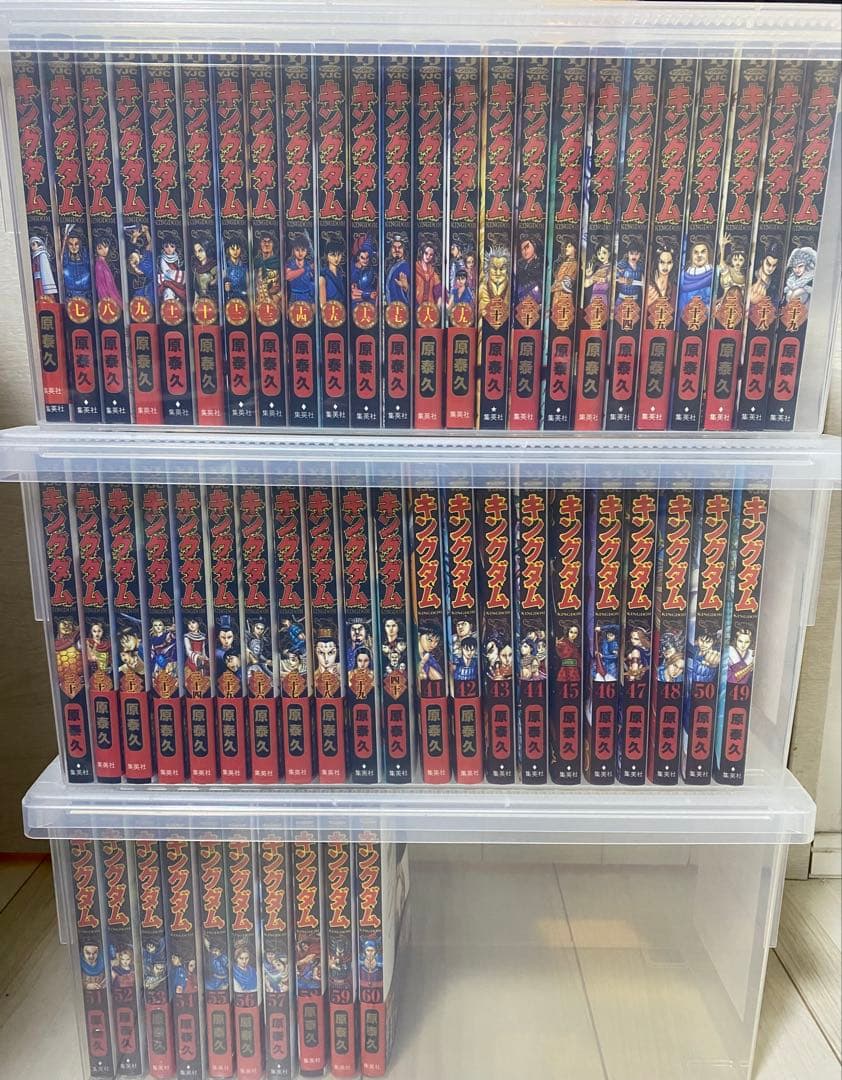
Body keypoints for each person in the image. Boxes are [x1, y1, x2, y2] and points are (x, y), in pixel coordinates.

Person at [677, 240, 714, 314]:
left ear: (708, 254)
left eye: (703, 252)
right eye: (696, 252)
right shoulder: (682, 276)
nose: (699, 255)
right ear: (691, 255)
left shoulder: (714, 274)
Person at [285, 234, 315, 304]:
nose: (300, 253)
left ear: (307, 250)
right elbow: (288, 276)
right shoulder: (290, 263)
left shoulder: (309, 263)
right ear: (293, 250)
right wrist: (306, 269)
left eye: (303, 250)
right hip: (294, 297)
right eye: (297, 250)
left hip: (308, 296)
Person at [62, 230, 91, 299]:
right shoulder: (65, 258)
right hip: (70, 293)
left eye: (76, 244)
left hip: (85, 292)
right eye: (71, 244)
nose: (74, 247)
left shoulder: (85, 257)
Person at [385, 233, 410, 305]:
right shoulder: (391, 266)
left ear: (404, 249)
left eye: (400, 247)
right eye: (394, 247)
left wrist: (407, 288)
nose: (397, 250)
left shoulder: (406, 266)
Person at [224, 237, 248, 302]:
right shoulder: (225, 266)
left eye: (237, 248)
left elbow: (248, 285)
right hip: (230, 299)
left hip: (243, 298)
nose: (235, 251)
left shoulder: (244, 266)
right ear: (228, 250)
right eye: (232, 249)